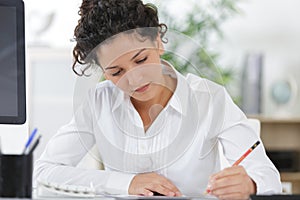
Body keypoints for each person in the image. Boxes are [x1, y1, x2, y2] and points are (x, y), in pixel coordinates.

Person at [33, 0, 282, 199]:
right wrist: (125, 183)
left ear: (158, 42)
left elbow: (268, 176)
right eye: (116, 72)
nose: (134, 79)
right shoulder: (99, 103)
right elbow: (44, 173)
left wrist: (249, 184)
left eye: (141, 60)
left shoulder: (210, 99)